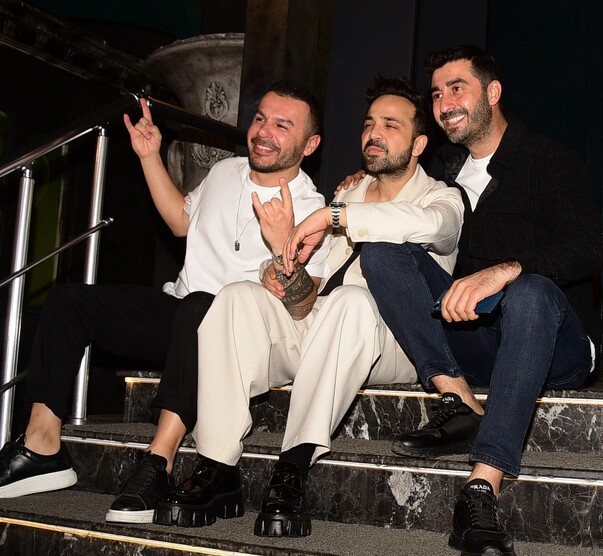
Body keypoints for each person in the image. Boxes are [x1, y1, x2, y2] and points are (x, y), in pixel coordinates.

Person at [0, 81, 332, 527]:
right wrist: (149, 156)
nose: (263, 131)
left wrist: (282, 246)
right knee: (68, 301)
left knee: (203, 306)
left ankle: (160, 460)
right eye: (259, 118)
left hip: (237, 342)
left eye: (282, 125)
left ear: (310, 144)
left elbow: (304, 302)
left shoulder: (312, 209)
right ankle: (42, 445)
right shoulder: (224, 171)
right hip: (180, 312)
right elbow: (180, 221)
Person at [148, 76, 464, 535]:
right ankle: (217, 467)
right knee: (235, 297)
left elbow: (433, 226)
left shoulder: (442, 197)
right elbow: (305, 300)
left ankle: (292, 467)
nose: (374, 133)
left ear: (419, 144)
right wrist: (281, 263)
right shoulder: (346, 193)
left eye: (390, 125)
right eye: (369, 123)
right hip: (326, 329)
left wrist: (336, 215)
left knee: (352, 301)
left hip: (393, 344)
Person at [352, 46, 603, 555]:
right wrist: (361, 185)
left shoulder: (551, 161)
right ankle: (459, 399)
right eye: (437, 93)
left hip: (556, 345)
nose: (444, 103)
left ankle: (481, 487)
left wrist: (509, 269)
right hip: (479, 343)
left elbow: (588, 248)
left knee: (529, 291)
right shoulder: (444, 175)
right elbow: (399, 199)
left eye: (457, 88)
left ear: (493, 92)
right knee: (381, 250)